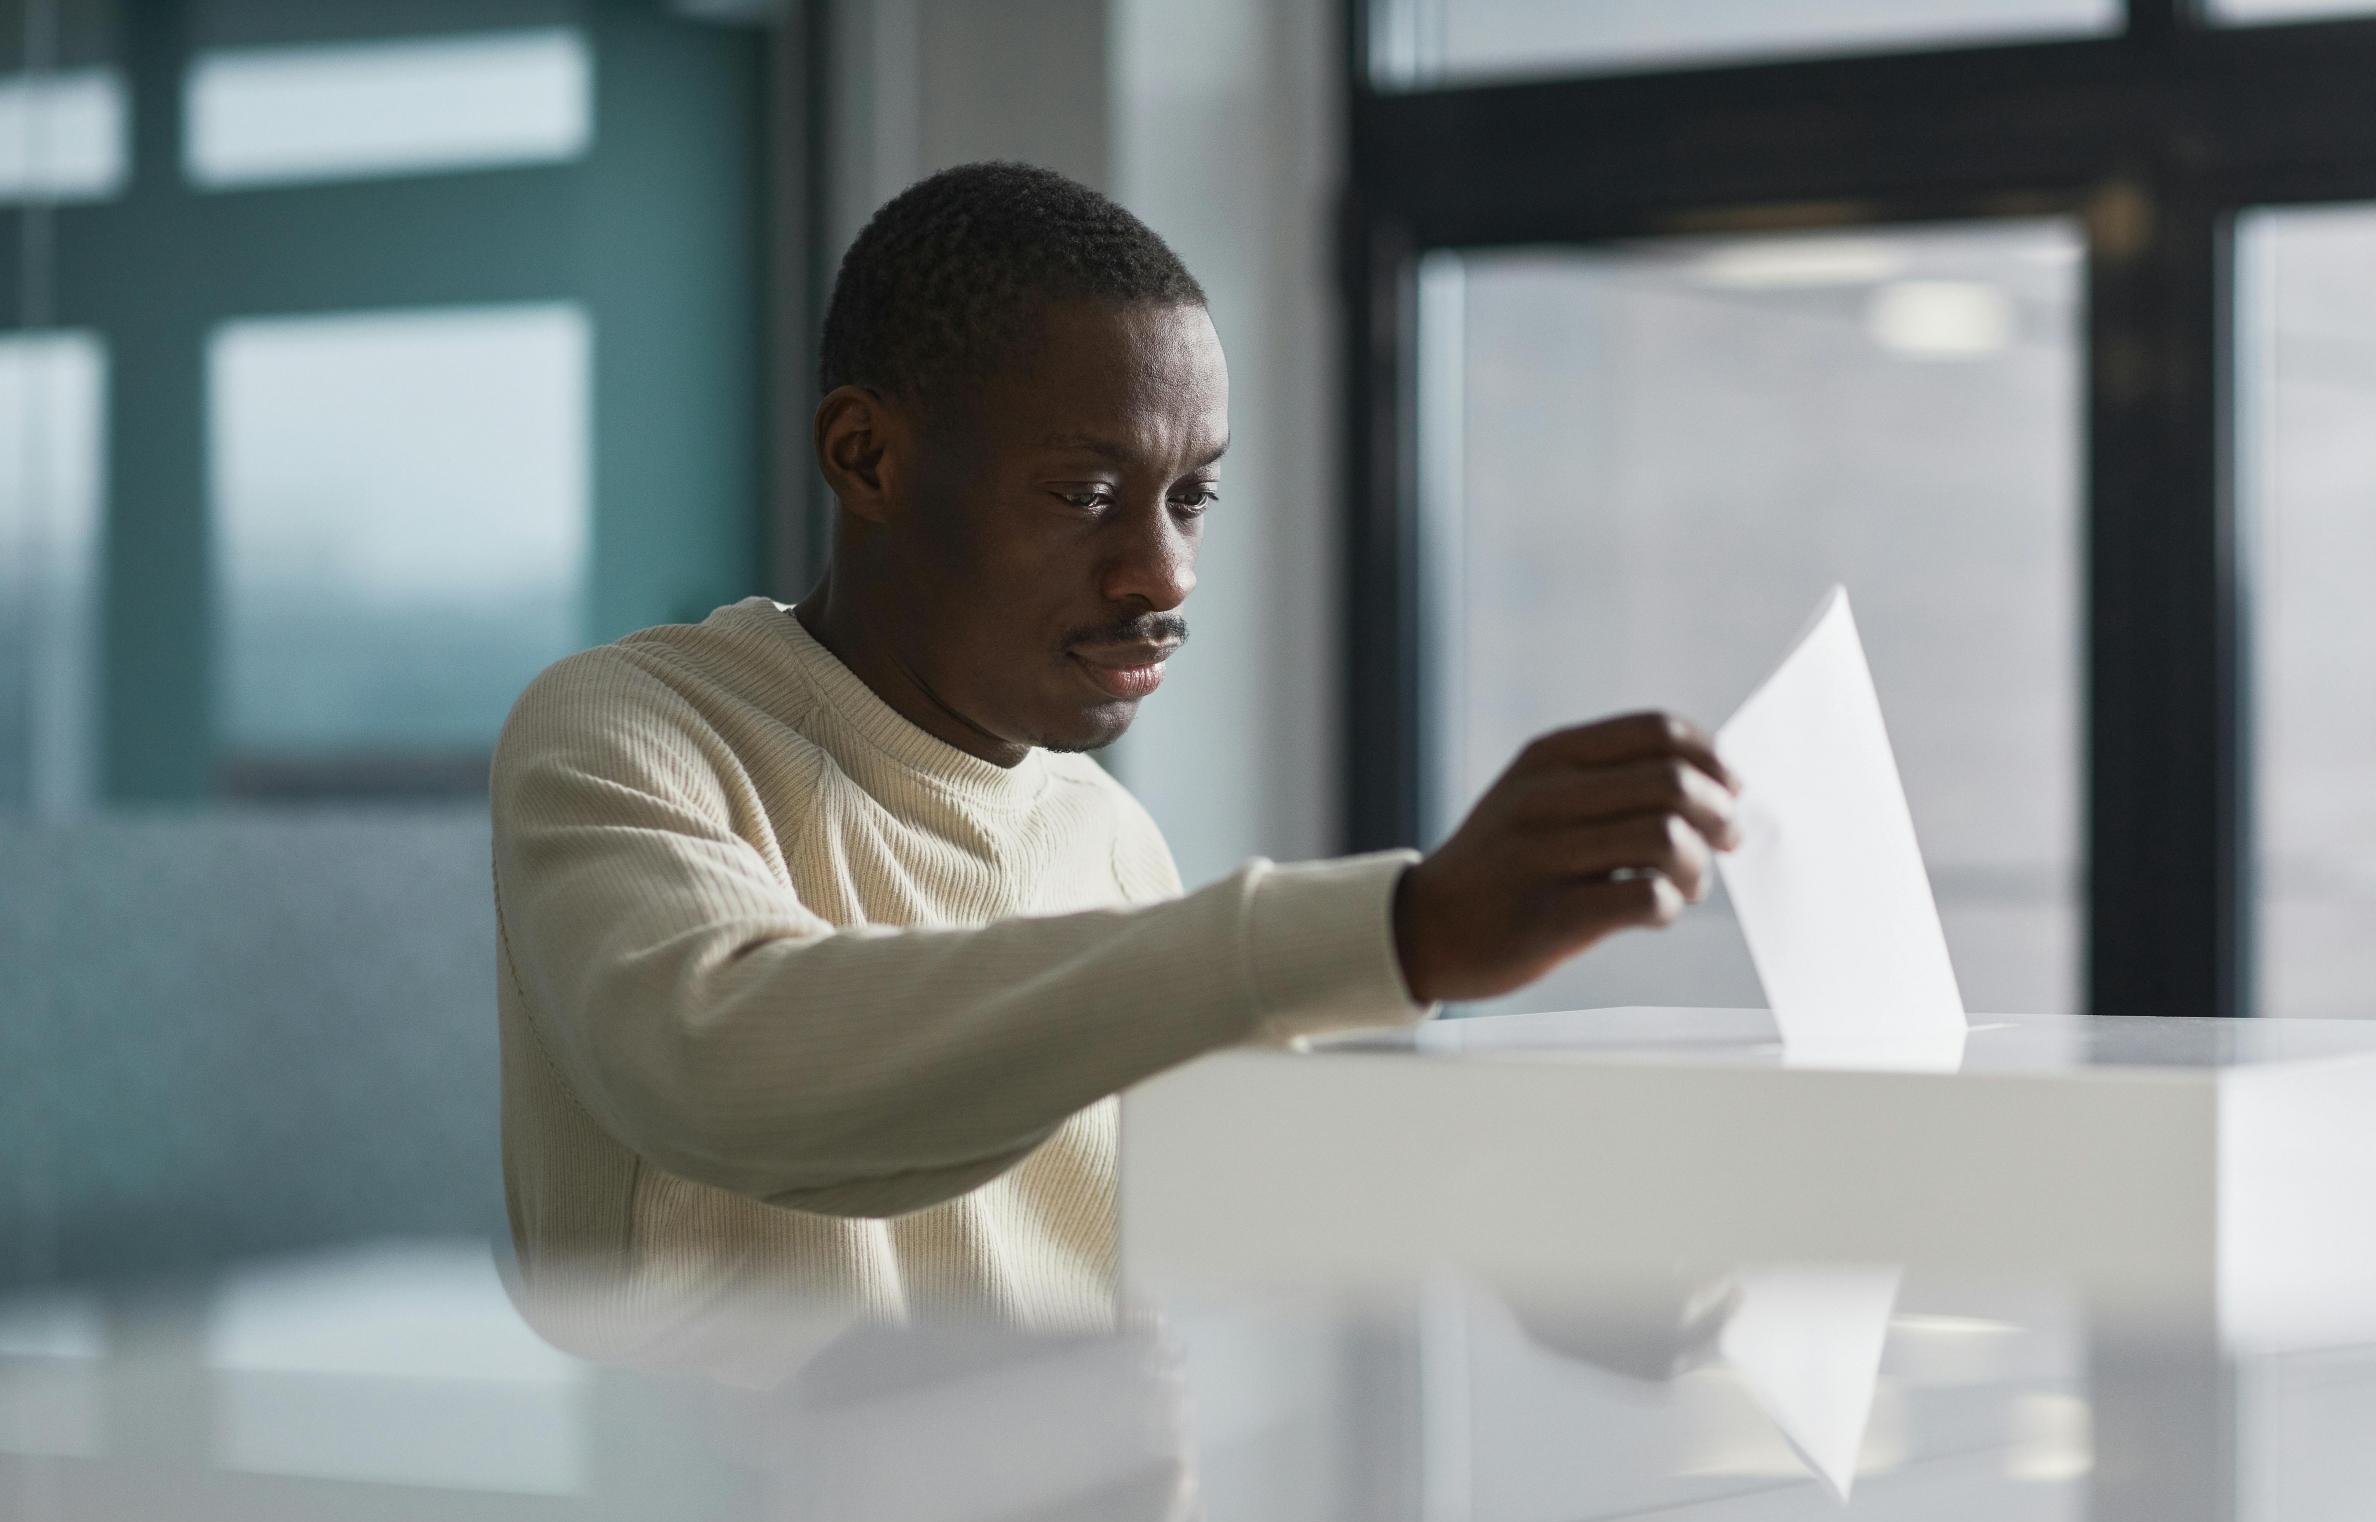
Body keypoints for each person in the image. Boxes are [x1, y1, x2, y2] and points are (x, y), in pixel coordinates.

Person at [490, 161, 1739, 1353]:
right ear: (867, 457)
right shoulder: (635, 729)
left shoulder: (1104, 835)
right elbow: (724, 1063)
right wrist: (1400, 926)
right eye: (1085, 493)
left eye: (1190, 496)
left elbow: (1249, 1222)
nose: (1166, 573)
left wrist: (1540, 1257)